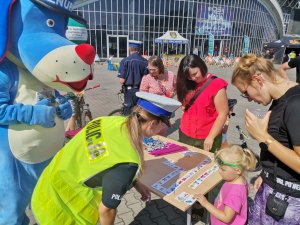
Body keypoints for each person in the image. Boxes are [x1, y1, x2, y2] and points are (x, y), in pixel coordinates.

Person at [31, 91, 181, 225]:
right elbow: (106, 211)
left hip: (45, 190)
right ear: (153, 123)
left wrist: (135, 182)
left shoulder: (107, 120)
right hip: (62, 213)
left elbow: (105, 161)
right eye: (163, 125)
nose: (163, 129)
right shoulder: (129, 161)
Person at [231, 54, 300, 224]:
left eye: (245, 93)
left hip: (287, 203)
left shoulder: (295, 104)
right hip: (274, 191)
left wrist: (263, 137)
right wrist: (267, 173)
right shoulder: (279, 100)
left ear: (257, 79)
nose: (249, 99)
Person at [176, 54, 229, 223]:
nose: (193, 78)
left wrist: (211, 137)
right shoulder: (187, 84)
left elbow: (222, 114)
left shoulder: (216, 85)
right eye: (189, 76)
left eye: (195, 73)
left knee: (208, 174)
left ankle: (211, 209)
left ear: (202, 66)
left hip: (208, 137)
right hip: (186, 133)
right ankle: (195, 205)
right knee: (190, 172)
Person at [195, 145, 256, 225]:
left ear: (237, 170)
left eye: (223, 169)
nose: (219, 171)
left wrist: (206, 204)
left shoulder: (235, 193)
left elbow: (226, 218)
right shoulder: (239, 179)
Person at [140, 55, 176, 136]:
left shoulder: (170, 75)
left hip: (164, 114)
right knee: (149, 136)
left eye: (153, 69)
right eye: (149, 69)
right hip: (151, 114)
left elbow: (176, 87)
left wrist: (173, 93)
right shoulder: (147, 78)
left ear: (160, 67)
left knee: (162, 136)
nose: (151, 71)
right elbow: (142, 96)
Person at [117, 40, 148, 115]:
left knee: (128, 113)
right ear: (139, 49)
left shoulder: (124, 61)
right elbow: (147, 78)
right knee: (139, 112)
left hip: (129, 92)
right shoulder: (145, 61)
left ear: (129, 49)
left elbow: (122, 81)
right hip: (141, 91)